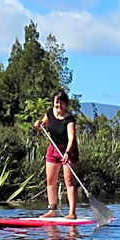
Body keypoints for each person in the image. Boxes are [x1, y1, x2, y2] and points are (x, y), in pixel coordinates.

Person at [34, 90, 79, 219]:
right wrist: (38, 124)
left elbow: (71, 138)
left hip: (68, 149)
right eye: (56, 102)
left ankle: (72, 213)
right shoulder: (49, 113)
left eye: (61, 102)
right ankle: (52, 210)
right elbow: (42, 124)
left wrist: (67, 152)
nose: (59, 105)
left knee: (69, 181)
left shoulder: (69, 119)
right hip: (53, 148)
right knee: (50, 180)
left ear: (66, 104)